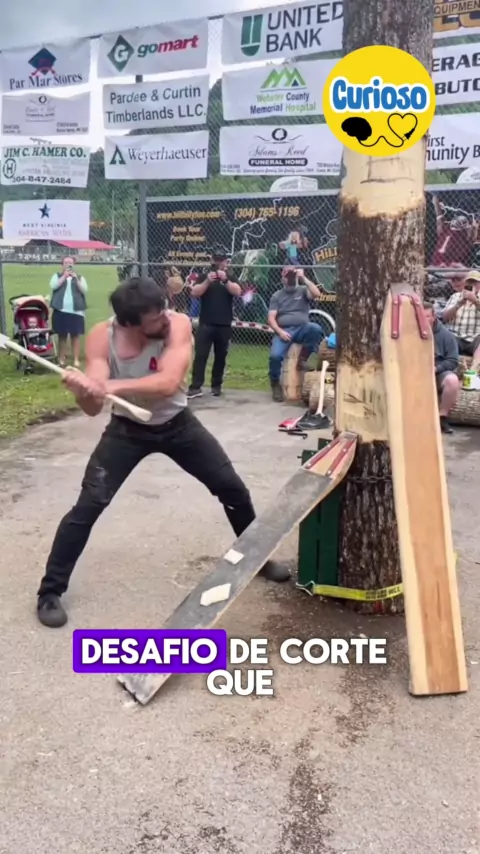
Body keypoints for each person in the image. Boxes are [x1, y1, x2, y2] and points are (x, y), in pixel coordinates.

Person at [36, 277, 289, 628]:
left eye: (163, 311)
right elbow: (93, 408)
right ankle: (49, 592)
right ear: (129, 323)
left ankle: (258, 558)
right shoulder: (102, 337)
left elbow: (168, 383)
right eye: (155, 319)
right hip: (126, 429)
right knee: (88, 505)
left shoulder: (177, 324)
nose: (164, 319)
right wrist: (83, 390)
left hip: (177, 425)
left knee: (232, 489)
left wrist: (106, 385)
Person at [187, 251, 242, 399]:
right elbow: (195, 293)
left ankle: (216, 386)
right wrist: (207, 282)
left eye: (221, 260)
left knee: (220, 356)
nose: (218, 263)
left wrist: (225, 280)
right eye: (216, 260)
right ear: (212, 260)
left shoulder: (230, 277)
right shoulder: (204, 276)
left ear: (225, 262)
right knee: (201, 355)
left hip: (224, 324)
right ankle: (195, 386)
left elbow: (238, 291)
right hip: (206, 323)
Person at [267, 266, 323, 402]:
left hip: (302, 328)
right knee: (275, 356)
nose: (290, 279)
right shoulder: (277, 296)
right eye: (288, 277)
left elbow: (317, 294)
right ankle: (275, 383)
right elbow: (271, 319)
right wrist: (280, 332)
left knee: (315, 329)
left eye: (293, 276)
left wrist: (303, 278)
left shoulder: (303, 290)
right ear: (283, 279)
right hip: (284, 331)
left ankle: (302, 360)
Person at [423, 302, 460, 435]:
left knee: (452, 380)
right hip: (414, 372)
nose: (423, 320)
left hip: (437, 372)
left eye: (427, 316)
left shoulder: (446, 335)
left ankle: (442, 417)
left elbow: (453, 360)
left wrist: (437, 368)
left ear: (434, 317)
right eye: (420, 317)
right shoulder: (410, 332)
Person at [49, 256, 88, 368]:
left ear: (74, 264)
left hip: (76, 311)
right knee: (62, 336)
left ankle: (76, 359)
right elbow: (53, 286)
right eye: (66, 262)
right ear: (62, 265)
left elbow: (84, 290)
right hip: (61, 310)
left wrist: (76, 280)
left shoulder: (79, 277)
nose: (68, 265)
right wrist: (64, 277)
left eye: (70, 263)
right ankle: (61, 358)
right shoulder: (57, 276)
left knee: (75, 336)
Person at [441, 269, 480, 370]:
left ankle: (474, 370)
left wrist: (475, 301)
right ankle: (449, 368)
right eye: (469, 282)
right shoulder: (455, 296)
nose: (472, 285)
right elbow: (445, 318)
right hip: (456, 336)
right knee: (446, 338)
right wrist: (459, 304)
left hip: (475, 338)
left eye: (475, 282)